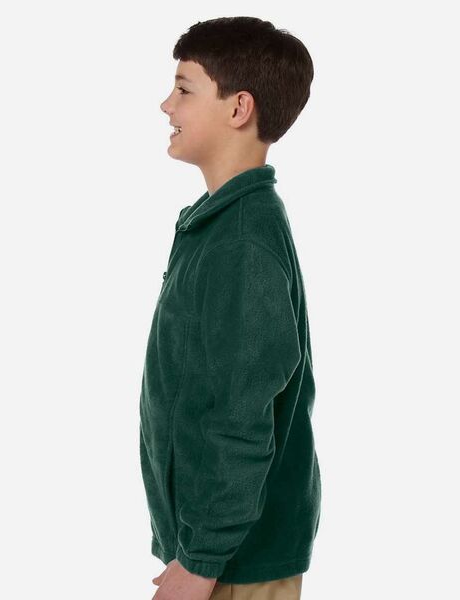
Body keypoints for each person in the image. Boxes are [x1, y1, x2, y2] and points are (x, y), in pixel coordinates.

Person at [139, 16, 321, 600]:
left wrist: (202, 560)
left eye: (184, 89)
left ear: (239, 108)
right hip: (217, 551)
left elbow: (240, 415)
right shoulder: (224, 224)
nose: (167, 105)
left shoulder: (242, 241)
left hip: (235, 562)